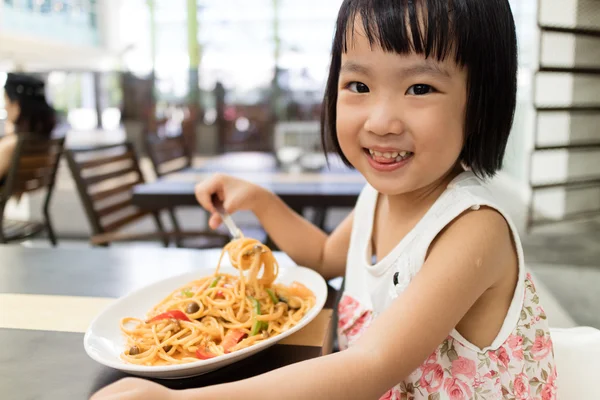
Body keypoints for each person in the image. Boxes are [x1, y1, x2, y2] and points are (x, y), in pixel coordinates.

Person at [91, 1, 557, 399]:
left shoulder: (474, 230)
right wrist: (258, 200)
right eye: (358, 86)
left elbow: (371, 366)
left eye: (420, 88)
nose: (380, 120)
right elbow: (323, 257)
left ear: (481, 102)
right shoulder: (378, 196)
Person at [0, 73, 56, 184]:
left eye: (6, 102)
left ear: (17, 105)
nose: (5, 107)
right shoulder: (42, 141)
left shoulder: (11, 144)